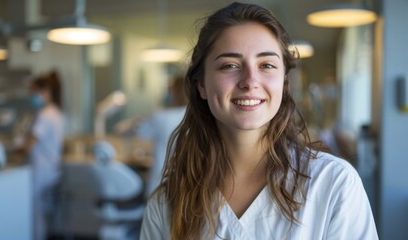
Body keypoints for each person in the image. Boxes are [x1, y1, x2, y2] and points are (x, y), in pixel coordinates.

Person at [140, 2, 378, 240]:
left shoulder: (334, 184)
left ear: (284, 84)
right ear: (201, 84)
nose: (250, 81)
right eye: (230, 65)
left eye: (266, 65)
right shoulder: (167, 204)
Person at [20, 71, 64, 240]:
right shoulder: (55, 112)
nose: (32, 96)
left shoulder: (46, 115)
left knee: (36, 215)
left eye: (33, 92)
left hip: (41, 170)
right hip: (49, 169)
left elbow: (28, 146)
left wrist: (18, 150)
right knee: (40, 215)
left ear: (44, 91)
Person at [135, 75, 187, 196]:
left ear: (173, 91)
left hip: (160, 182)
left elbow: (140, 134)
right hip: (188, 184)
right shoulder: (199, 118)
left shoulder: (161, 117)